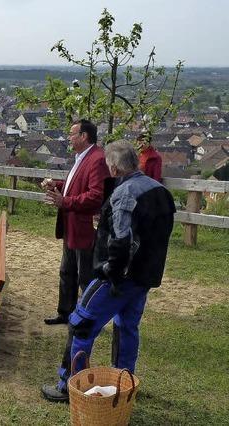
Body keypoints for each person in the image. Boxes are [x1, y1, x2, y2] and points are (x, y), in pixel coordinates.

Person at [41, 140, 175, 403]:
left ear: (113, 167)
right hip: (144, 277)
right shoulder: (160, 191)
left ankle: (70, 386)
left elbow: (122, 240)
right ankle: (124, 383)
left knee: (80, 325)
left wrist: (111, 272)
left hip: (118, 278)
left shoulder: (125, 193)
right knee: (126, 329)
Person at [42, 119, 110, 325]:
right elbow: (76, 186)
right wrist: (58, 185)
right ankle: (66, 313)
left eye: (72, 134)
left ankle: (89, 318)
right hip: (71, 225)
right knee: (67, 272)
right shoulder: (81, 157)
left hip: (84, 228)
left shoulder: (97, 159)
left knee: (85, 277)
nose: (68, 138)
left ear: (84, 136)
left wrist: (65, 201)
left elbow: (97, 196)